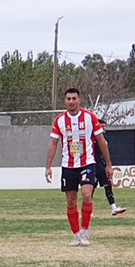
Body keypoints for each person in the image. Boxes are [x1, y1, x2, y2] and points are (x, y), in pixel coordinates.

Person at [46, 88, 114, 246]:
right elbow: (53, 143)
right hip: (68, 166)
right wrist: (48, 166)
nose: (71, 101)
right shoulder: (60, 120)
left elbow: (101, 141)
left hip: (87, 163)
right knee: (71, 200)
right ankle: (76, 235)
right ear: (65, 101)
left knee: (86, 194)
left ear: (79, 100)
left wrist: (108, 164)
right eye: (68, 99)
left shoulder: (90, 118)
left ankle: (85, 231)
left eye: (74, 98)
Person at [93, 118, 126, 216]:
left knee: (108, 186)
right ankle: (87, 210)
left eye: (104, 127)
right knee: (90, 189)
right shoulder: (91, 139)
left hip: (102, 167)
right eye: (101, 126)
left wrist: (107, 164)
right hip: (93, 166)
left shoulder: (105, 139)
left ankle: (114, 207)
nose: (103, 128)